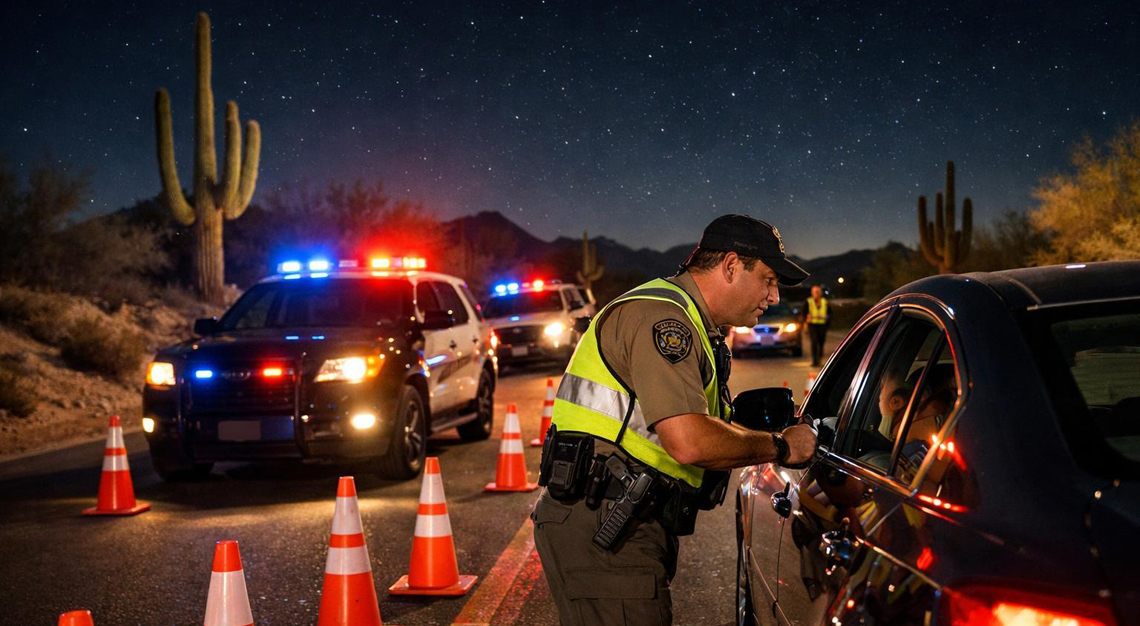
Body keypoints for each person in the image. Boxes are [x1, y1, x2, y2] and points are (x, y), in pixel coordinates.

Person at [532, 214, 818, 626]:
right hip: (604, 521)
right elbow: (690, 441)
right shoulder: (663, 319)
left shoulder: (690, 320)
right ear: (732, 266)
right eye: (769, 279)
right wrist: (782, 446)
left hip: (618, 516)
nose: (773, 296)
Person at [804, 284, 829, 366]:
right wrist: (806, 320)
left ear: (820, 293)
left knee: (821, 342)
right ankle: (815, 361)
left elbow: (830, 313)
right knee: (814, 342)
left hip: (822, 325)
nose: (816, 293)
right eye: (815, 292)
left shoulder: (825, 302)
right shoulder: (809, 301)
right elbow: (803, 313)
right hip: (812, 325)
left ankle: (820, 357)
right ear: (812, 293)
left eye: (818, 292)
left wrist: (828, 320)